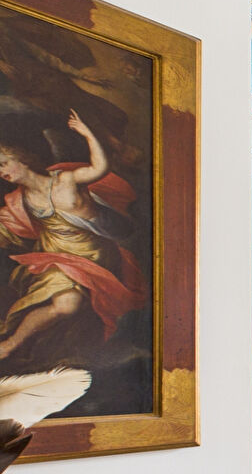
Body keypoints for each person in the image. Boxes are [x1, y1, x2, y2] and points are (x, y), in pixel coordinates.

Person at [0, 109, 148, 362]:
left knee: (78, 313)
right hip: (58, 258)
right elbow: (6, 226)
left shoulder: (65, 180)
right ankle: (9, 345)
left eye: (3, 163)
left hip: (94, 256)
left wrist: (87, 133)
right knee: (66, 305)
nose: (2, 171)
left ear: (21, 158)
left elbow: (100, 168)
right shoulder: (19, 201)